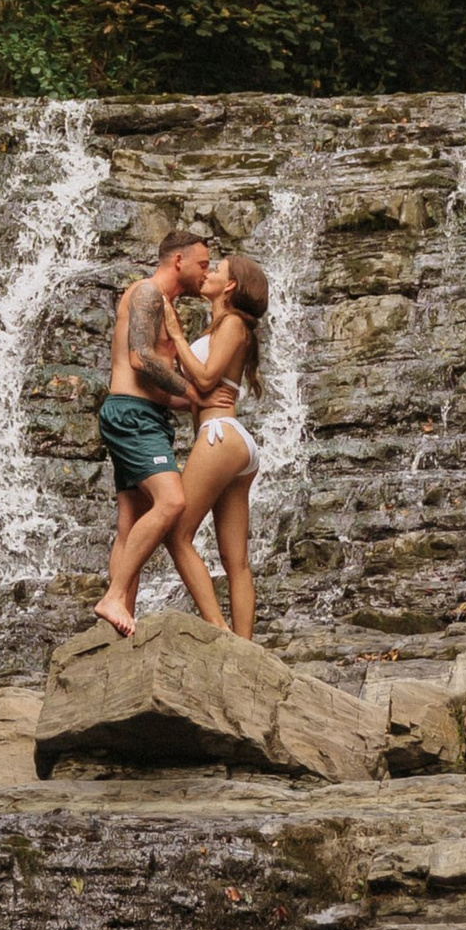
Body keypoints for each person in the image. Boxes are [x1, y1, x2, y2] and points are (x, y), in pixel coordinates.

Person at [92, 232, 222, 637]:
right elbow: (141, 358)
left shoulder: (166, 307)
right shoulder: (147, 292)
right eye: (203, 264)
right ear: (178, 260)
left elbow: (162, 386)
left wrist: (201, 402)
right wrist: (193, 392)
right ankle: (114, 596)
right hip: (133, 417)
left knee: (130, 522)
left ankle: (120, 619)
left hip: (145, 415)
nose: (207, 272)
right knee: (172, 501)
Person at [163, 254, 269, 641]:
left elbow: (206, 380)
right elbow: (195, 392)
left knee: (175, 532)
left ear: (230, 287)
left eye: (216, 270)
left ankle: (218, 630)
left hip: (219, 435)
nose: (206, 273)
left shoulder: (235, 324)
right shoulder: (223, 327)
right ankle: (245, 649)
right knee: (235, 560)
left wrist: (175, 334)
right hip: (231, 441)